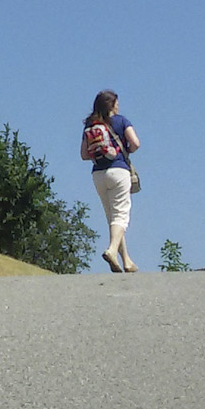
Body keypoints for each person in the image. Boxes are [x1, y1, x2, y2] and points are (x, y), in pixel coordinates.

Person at [81, 89, 139, 273]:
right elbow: (136, 143)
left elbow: (83, 154)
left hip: (98, 174)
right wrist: (126, 150)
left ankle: (127, 261)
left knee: (112, 218)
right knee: (121, 216)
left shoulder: (90, 125)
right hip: (119, 170)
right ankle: (112, 250)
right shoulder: (121, 121)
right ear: (112, 105)